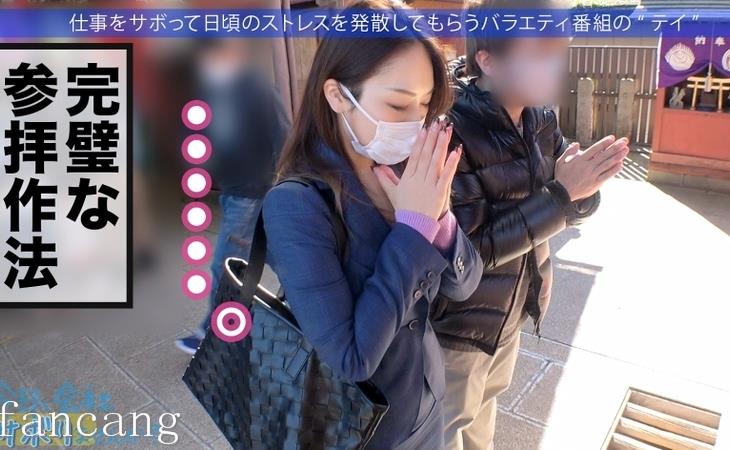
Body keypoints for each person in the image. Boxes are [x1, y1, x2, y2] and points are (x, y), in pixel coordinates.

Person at [262, 1, 483, 448]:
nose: (416, 123)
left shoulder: (403, 169)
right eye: (398, 104)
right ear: (338, 96)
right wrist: (413, 230)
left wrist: (439, 220)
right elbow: (351, 358)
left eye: (426, 104)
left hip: (425, 402)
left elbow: (464, 283)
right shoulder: (296, 205)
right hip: (362, 428)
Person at [431, 1, 630, 448]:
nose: (554, 66)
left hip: (513, 309)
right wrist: (561, 195)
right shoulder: (453, 130)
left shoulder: (540, 119)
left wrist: (582, 188)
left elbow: (568, 205)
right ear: (489, 61)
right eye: (540, 53)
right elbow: (468, 253)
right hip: (460, 325)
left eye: (558, 51)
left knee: (483, 420)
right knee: (446, 429)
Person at [176, 40, 291, 354]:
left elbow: (283, 134)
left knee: (226, 262)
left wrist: (280, 182)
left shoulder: (255, 87)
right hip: (233, 188)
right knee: (274, 254)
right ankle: (311, 299)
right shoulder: (209, 89)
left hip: (252, 189)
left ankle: (214, 330)